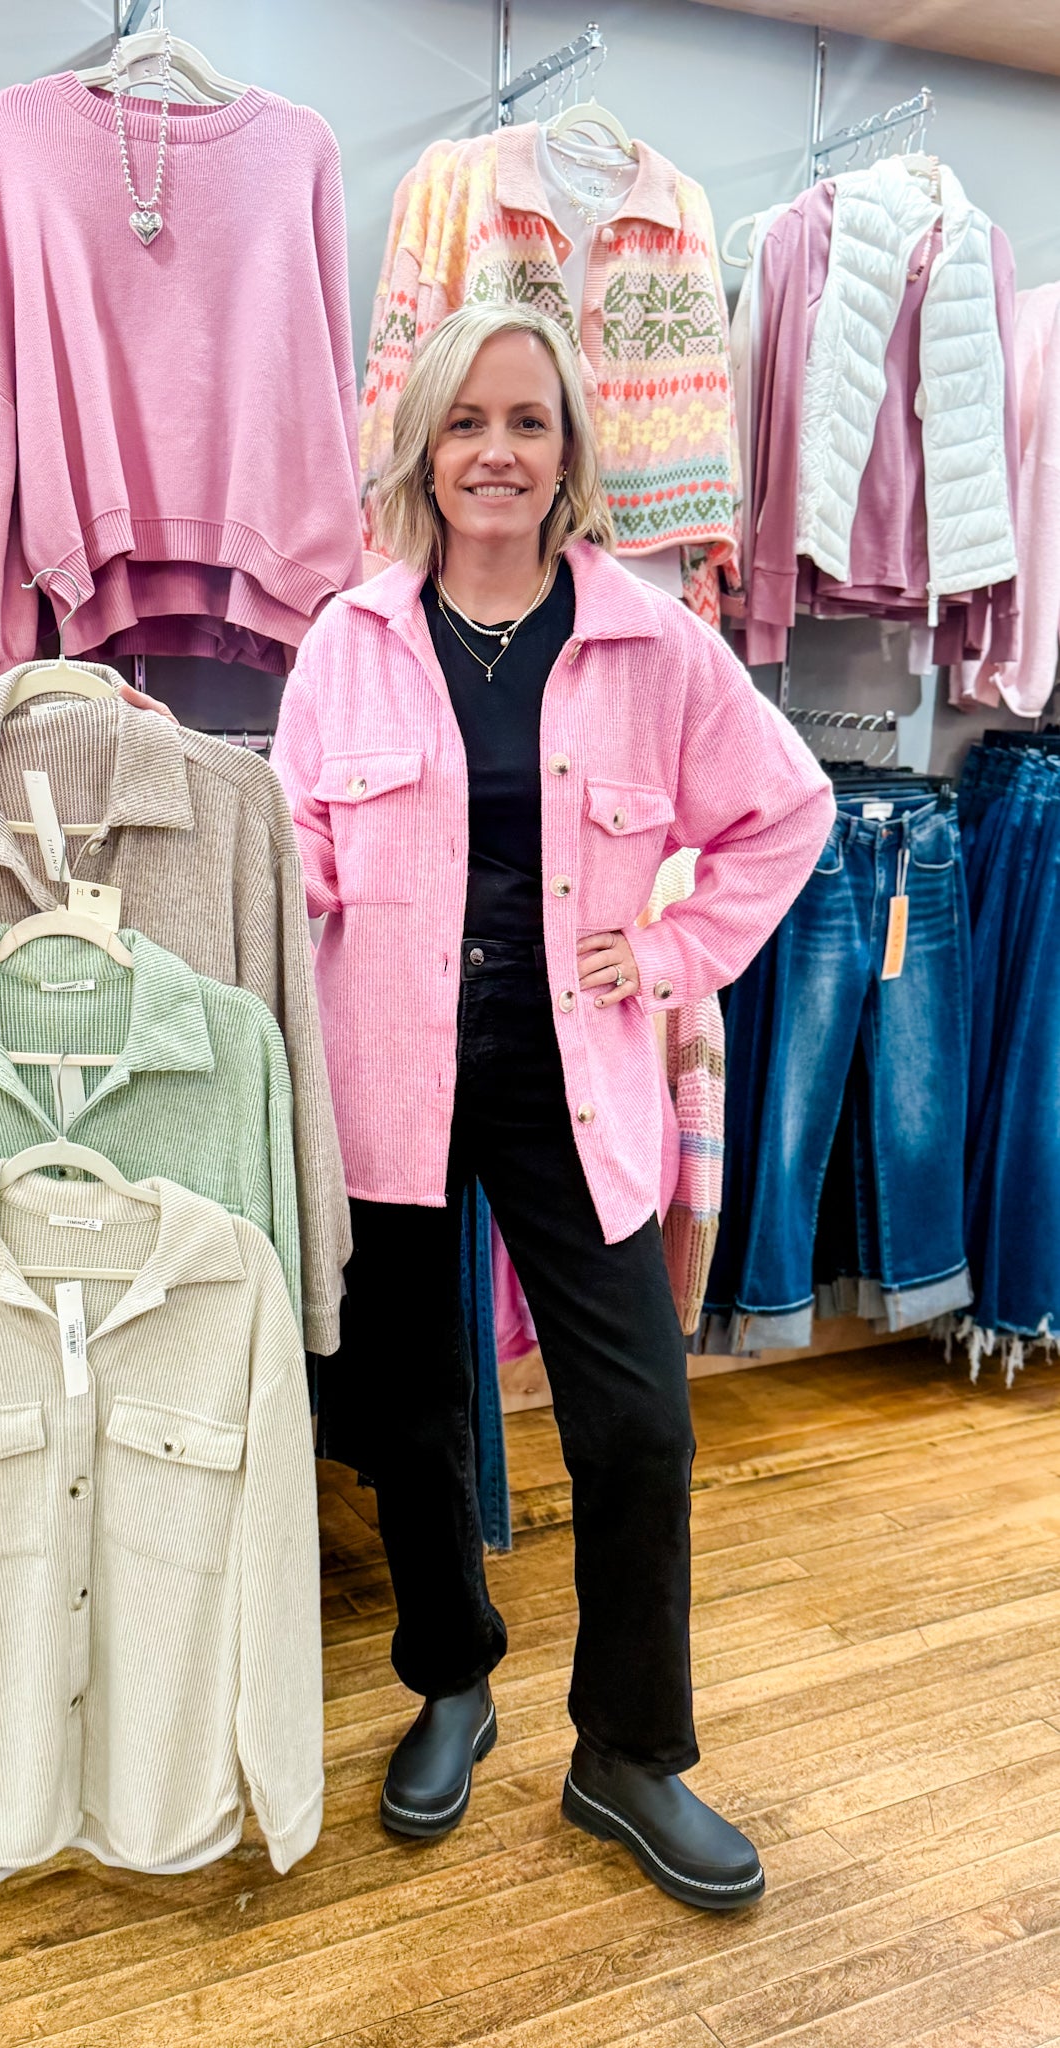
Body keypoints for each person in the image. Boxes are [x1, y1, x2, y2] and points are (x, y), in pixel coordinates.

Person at [267, 301, 835, 1912]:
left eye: (525, 421)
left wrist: (664, 951)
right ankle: (450, 1678)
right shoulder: (348, 641)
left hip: (569, 1078)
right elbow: (295, 852)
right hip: (386, 1072)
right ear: (424, 450)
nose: (495, 452)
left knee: (638, 1422)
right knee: (410, 1410)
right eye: (465, 422)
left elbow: (784, 813)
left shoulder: (653, 643)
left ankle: (627, 1754)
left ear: (569, 447)